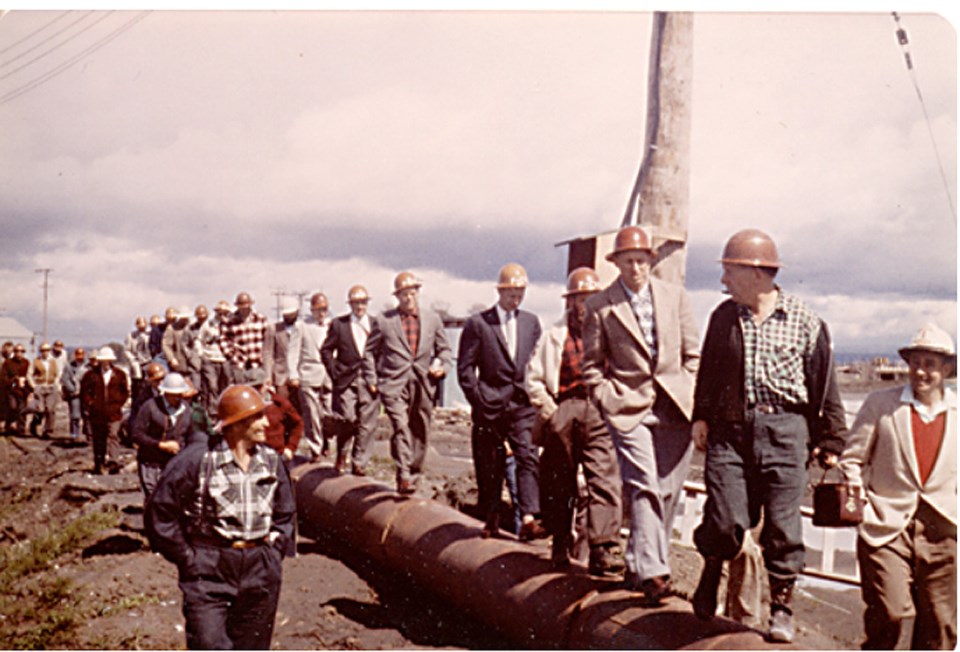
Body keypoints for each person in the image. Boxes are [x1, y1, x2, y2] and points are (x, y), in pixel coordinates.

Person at [689, 228, 847, 643]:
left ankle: (781, 606)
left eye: (729, 272)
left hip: (785, 432)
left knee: (783, 526)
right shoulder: (723, 317)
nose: (723, 281)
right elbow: (708, 372)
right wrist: (700, 417)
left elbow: (824, 384)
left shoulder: (806, 321)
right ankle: (711, 566)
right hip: (729, 431)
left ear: (757, 273)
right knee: (725, 520)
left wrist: (831, 439)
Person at [582, 225, 700, 606]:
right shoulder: (600, 305)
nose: (635, 268)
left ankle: (637, 565)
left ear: (651, 260)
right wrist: (606, 397)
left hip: (674, 407)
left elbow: (692, 352)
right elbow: (591, 365)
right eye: (628, 261)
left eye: (641, 260)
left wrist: (689, 390)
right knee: (644, 484)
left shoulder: (674, 296)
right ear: (616, 263)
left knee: (666, 492)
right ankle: (654, 572)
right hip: (628, 408)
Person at [145, 384, 296, 650]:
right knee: (209, 644)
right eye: (258, 417)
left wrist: (274, 552)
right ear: (237, 424)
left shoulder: (271, 461)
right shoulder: (198, 461)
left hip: (260, 567)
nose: (266, 423)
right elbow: (161, 511)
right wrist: (187, 557)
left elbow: (285, 513)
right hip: (209, 568)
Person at [839, 323, 956, 650]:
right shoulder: (881, 404)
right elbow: (852, 459)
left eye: (930, 364)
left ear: (947, 369)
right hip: (886, 525)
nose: (921, 372)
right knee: (889, 614)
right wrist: (856, 491)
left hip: (945, 529)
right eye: (915, 363)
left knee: (941, 626)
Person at [527, 267, 623, 574]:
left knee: (603, 479)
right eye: (580, 299)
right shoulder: (553, 335)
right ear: (570, 302)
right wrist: (551, 412)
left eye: (591, 298)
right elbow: (534, 379)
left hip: (598, 408)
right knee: (559, 479)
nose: (585, 305)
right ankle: (558, 543)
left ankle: (601, 549)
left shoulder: (611, 333)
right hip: (564, 408)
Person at [458, 263, 544, 540]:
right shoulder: (479, 324)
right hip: (490, 405)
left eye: (520, 292)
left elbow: (536, 362)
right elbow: (465, 369)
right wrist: (479, 399)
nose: (516, 297)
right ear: (500, 291)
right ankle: (492, 515)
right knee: (490, 463)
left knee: (528, 455)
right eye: (511, 292)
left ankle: (530, 517)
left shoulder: (531, 323)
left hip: (521, 404)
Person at [365, 271, 451, 494]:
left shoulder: (432, 320)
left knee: (420, 429)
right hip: (393, 384)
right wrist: (373, 379)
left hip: (423, 383)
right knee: (401, 427)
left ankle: (414, 474)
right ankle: (403, 474)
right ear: (397, 296)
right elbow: (369, 353)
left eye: (412, 293)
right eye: (403, 294)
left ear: (417, 293)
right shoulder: (385, 321)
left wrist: (441, 366)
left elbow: (445, 350)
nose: (408, 298)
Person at [321, 285, 380, 475]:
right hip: (346, 378)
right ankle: (342, 453)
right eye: (356, 302)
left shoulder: (376, 324)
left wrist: (379, 375)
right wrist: (334, 371)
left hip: (370, 379)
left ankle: (359, 462)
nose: (360, 306)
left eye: (363, 302)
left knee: (367, 423)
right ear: (350, 304)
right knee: (347, 419)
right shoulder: (340, 324)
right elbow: (326, 350)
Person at [132, 372, 195, 501]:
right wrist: (160, 445)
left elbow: (190, 436)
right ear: (166, 393)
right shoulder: (149, 407)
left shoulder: (186, 409)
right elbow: (137, 434)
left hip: (175, 463)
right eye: (174, 395)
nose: (177, 398)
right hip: (151, 463)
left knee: (172, 499)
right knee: (153, 498)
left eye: (179, 394)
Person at [288, 292, 334, 462]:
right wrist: (293, 373)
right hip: (308, 373)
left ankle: (326, 439)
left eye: (325, 309)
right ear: (312, 310)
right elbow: (293, 351)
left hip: (328, 374)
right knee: (312, 413)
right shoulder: (301, 326)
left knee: (329, 413)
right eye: (319, 310)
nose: (322, 313)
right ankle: (316, 448)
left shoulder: (332, 325)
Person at [80, 347, 130, 475]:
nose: (105, 363)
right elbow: (85, 392)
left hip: (114, 412)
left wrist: (119, 404)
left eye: (108, 360)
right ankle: (99, 462)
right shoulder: (91, 375)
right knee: (99, 438)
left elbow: (124, 391)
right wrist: (91, 403)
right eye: (103, 361)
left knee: (114, 435)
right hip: (97, 413)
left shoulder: (119, 374)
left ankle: (113, 462)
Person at [244, 368, 303, 464]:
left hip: (277, 456)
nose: (256, 391)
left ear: (267, 384)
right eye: (252, 388)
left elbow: (298, 423)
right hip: (252, 456)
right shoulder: (243, 406)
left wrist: (290, 448)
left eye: (258, 387)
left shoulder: (279, 404)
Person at [219, 292, 268, 383]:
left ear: (250, 305)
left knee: (258, 392)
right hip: (239, 363)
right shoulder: (230, 321)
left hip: (257, 362)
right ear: (237, 306)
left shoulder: (260, 319)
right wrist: (231, 355)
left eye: (246, 307)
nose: (244, 310)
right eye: (242, 307)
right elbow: (223, 340)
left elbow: (267, 339)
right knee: (241, 391)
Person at [198, 300, 231, 418]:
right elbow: (199, 339)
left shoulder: (230, 324)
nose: (222, 315)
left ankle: (224, 409)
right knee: (213, 385)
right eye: (220, 312)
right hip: (210, 357)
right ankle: (213, 411)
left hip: (225, 358)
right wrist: (201, 354)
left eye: (225, 313)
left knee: (226, 384)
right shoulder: (208, 324)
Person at [263, 297, 299, 405]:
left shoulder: (302, 328)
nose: (289, 317)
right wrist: (268, 375)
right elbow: (268, 353)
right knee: (282, 406)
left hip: (299, 375)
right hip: (281, 376)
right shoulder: (273, 329)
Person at [29, 342, 59, 438]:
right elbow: (29, 374)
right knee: (40, 409)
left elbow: (57, 374)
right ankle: (35, 425)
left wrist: (56, 384)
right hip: (40, 387)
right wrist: (33, 385)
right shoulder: (36, 361)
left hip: (51, 387)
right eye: (43, 350)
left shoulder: (53, 362)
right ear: (40, 351)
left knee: (50, 409)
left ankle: (48, 430)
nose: (45, 352)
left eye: (47, 350)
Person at [1, 344, 31, 435]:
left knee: (22, 409)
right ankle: (9, 423)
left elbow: (30, 375)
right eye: (17, 351)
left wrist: (29, 388)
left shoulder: (26, 363)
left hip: (23, 390)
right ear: (14, 352)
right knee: (12, 407)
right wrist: (14, 380)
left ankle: (21, 429)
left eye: (21, 351)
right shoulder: (8, 363)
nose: (19, 353)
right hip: (11, 390)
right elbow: (3, 377)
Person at [61, 347, 88, 439]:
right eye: (78, 354)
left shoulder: (88, 366)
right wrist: (72, 390)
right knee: (75, 415)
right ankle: (74, 434)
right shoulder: (69, 366)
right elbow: (65, 379)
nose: (80, 356)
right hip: (74, 395)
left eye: (82, 354)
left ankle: (87, 434)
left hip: (86, 394)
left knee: (86, 414)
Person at [125, 316, 152, 401]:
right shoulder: (131, 336)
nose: (141, 325)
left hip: (148, 361)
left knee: (148, 385)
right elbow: (127, 350)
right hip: (136, 363)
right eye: (139, 323)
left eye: (143, 323)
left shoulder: (150, 335)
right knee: (137, 386)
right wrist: (132, 359)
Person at [163, 306, 194, 375]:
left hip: (193, 362)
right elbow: (166, 345)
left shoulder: (192, 326)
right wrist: (171, 358)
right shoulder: (171, 328)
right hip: (179, 363)